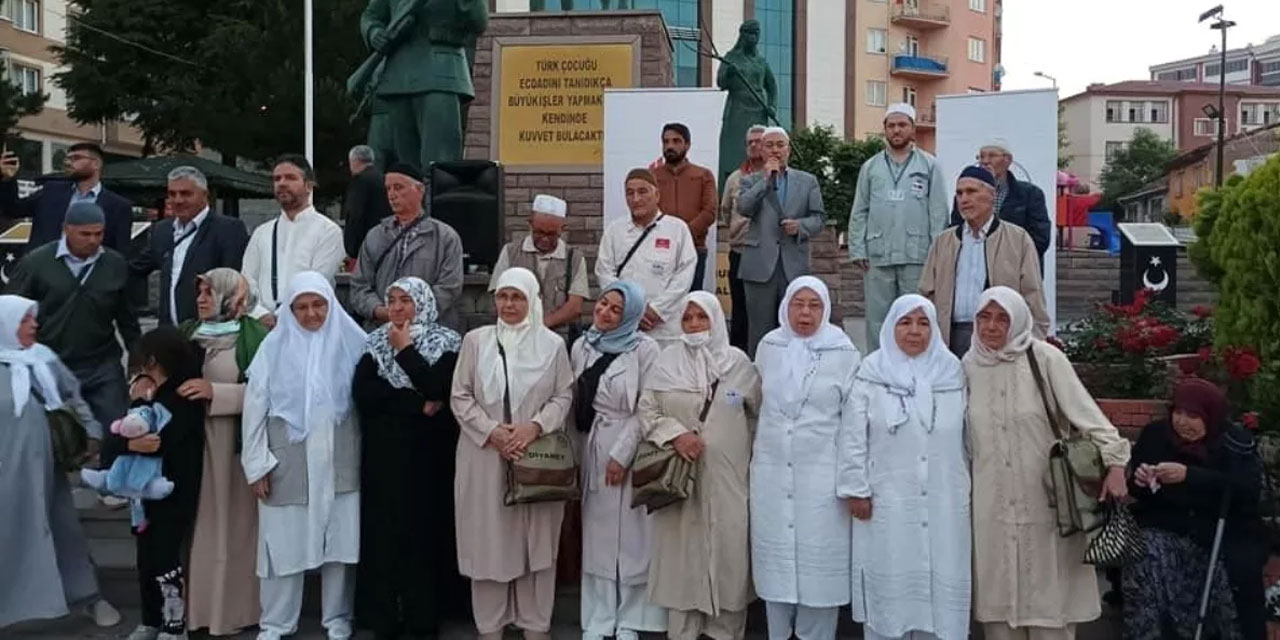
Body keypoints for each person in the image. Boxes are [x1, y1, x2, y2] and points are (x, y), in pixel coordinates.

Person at [965, 286, 1130, 640]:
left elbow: (1091, 419)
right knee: (999, 618)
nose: (992, 327)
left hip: (1047, 505)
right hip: (990, 510)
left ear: (1019, 320)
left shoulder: (1044, 359)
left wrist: (1116, 464)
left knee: (1049, 613)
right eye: (984, 317)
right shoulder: (967, 368)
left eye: (1002, 318)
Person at [241, 272, 366, 640]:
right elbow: (255, 409)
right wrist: (256, 464)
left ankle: (337, 617)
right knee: (283, 543)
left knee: (340, 542)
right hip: (286, 460)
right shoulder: (273, 348)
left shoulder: (353, 343)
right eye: (302, 307)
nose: (312, 314)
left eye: (319, 305)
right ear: (290, 310)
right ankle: (276, 622)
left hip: (340, 458)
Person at [450, 267, 574, 640]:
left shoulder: (552, 345)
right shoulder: (476, 341)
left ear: (532, 300)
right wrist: (493, 432)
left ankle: (535, 623)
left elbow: (564, 394)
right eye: (502, 296)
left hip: (535, 455)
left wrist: (533, 427)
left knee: (535, 542)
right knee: (488, 540)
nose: (508, 304)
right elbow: (460, 395)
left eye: (517, 297)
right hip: (485, 454)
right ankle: (491, 624)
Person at [839, 294, 970, 640]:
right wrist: (856, 489)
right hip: (886, 501)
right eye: (905, 322)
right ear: (890, 327)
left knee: (939, 593)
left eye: (924, 323)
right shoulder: (872, 372)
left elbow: (970, 438)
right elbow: (852, 436)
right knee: (890, 588)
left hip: (945, 502)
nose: (915, 331)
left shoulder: (952, 372)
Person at [640, 292, 761, 640]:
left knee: (729, 549)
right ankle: (684, 630)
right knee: (683, 553)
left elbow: (755, 411)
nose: (694, 324)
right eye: (688, 318)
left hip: (727, 479)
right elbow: (647, 411)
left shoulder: (738, 364)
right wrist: (676, 435)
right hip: (681, 475)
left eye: (702, 317)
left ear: (716, 320)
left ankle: (725, 630)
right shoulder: (666, 362)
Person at [0, 295, 122, 630]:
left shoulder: (43, 360)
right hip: (5, 475)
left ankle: (89, 598)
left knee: (63, 534)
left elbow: (73, 398)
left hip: (44, 474)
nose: (34, 325)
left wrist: (92, 435)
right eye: (25, 320)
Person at [353, 277, 463, 640]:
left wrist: (404, 351)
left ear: (423, 304)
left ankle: (422, 618)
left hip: (429, 458)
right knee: (384, 536)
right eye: (393, 300)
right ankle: (383, 617)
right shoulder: (373, 341)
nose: (398, 308)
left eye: (406, 301)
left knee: (424, 535)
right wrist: (415, 403)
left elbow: (441, 388)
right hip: (384, 457)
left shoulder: (447, 342)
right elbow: (364, 395)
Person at [752, 277, 859, 640]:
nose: (806, 313)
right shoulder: (770, 345)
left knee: (819, 572)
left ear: (826, 309)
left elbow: (853, 420)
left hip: (822, 477)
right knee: (777, 567)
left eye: (815, 305)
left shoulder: (843, 352)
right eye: (799, 304)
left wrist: (851, 479)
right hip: (771, 473)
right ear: (786, 306)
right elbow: (755, 401)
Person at [1125, 378, 1265, 640]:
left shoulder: (1234, 442)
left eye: (1193, 415)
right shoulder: (1156, 435)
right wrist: (1142, 479)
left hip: (1221, 530)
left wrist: (1190, 475)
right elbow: (1135, 489)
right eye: (1178, 412)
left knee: (1235, 572)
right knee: (1146, 553)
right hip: (1168, 525)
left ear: (1210, 416)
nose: (1182, 422)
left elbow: (1248, 491)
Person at [571, 280, 666, 640]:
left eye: (615, 309)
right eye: (603, 304)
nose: (605, 313)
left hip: (629, 444)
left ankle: (631, 618)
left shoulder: (646, 349)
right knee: (596, 535)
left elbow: (647, 405)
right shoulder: (584, 345)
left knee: (633, 536)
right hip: (591, 442)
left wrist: (622, 454)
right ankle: (598, 617)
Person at [176, 269, 268, 636]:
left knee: (231, 528)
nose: (201, 300)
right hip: (192, 445)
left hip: (233, 446)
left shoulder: (257, 337)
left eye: (210, 294)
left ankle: (231, 613)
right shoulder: (186, 334)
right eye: (200, 292)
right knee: (197, 528)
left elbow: (273, 393)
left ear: (233, 298)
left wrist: (218, 393)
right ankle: (195, 612)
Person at [104, 326, 206, 640]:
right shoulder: (145, 395)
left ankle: (173, 625)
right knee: (146, 561)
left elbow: (160, 442)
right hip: (142, 498)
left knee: (165, 561)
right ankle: (150, 620)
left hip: (173, 495)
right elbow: (123, 437)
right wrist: (131, 437)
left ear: (153, 361)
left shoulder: (182, 397)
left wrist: (134, 441)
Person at [8, 201, 141, 434]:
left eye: (98, 233)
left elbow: (127, 319)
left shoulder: (115, 264)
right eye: (85, 234)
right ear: (66, 229)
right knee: (54, 435)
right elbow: (11, 312)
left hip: (102, 365)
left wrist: (140, 362)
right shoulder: (36, 263)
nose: (93, 240)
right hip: (51, 363)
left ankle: (107, 469)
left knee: (114, 431)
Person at [848, 103, 949, 352]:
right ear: (884, 129)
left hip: (918, 256)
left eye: (902, 125)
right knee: (878, 319)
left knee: (916, 314)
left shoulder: (929, 165)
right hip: (877, 254)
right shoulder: (870, 167)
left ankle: (919, 363)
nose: (896, 130)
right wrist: (857, 249)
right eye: (891, 125)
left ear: (913, 129)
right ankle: (876, 368)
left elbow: (938, 213)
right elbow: (860, 210)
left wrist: (937, 255)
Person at [920, 165, 1049, 356]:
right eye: (959, 193)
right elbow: (926, 293)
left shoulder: (1017, 239)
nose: (964, 199)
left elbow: (1033, 295)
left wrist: (1033, 344)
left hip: (999, 337)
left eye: (971, 191)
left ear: (992, 196)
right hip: (948, 338)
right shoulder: (943, 241)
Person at [736, 127, 826, 357]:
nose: (775, 150)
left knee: (794, 326)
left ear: (789, 150)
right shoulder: (749, 181)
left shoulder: (807, 181)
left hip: (793, 264)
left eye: (780, 145)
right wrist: (765, 180)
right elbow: (744, 208)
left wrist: (801, 226)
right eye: (769, 145)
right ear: (761, 150)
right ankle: (759, 380)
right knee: (759, 330)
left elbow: (819, 218)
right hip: (759, 265)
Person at [350, 163, 464, 331]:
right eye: (388, 189)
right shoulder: (375, 236)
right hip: (382, 331)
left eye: (398, 187)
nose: (392, 195)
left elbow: (449, 287)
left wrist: (412, 313)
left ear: (419, 190)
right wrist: (380, 311)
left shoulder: (445, 237)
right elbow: (360, 286)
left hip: (430, 333)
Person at [131, 166, 249, 326]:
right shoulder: (163, 230)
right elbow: (136, 268)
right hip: (170, 336)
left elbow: (232, 283)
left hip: (209, 334)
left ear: (205, 195)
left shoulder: (227, 229)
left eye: (186, 194)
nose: (178, 200)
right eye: (172, 194)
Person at [596, 168, 697, 346]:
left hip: (665, 330)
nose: (636, 199)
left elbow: (684, 275)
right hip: (624, 326)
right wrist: (630, 311)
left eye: (642, 191)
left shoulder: (677, 229)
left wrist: (656, 310)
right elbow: (604, 272)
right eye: (630, 193)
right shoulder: (614, 230)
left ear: (656, 195)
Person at [242, 155, 345, 328]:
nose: (282, 183)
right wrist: (260, 314)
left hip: (307, 325)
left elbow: (318, 283)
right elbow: (246, 280)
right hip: (261, 327)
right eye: (277, 179)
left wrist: (283, 317)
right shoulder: (262, 232)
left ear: (309, 186)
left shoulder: (328, 231)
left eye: (290, 178)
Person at [0, 143, 135, 253]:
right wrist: (7, 179)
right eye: (67, 158)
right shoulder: (51, 191)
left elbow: (120, 252)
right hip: (43, 272)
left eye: (75, 158)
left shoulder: (118, 206)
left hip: (87, 279)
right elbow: (12, 210)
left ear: (96, 164)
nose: (68, 163)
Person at [489, 194, 590, 338]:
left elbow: (575, 307)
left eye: (551, 234)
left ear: (562, 229)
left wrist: (539, 327)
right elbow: (497, 296)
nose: (544, 238)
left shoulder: (574, 258)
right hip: (515, 336)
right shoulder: (511, 252)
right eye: (539, 232)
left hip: (558, 338)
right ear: (530, 224)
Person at [950, 140, 1051, 269]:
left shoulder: (1030, 194)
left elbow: (1040, 238)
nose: (985, 161)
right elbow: (956, 231)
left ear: (1008, 160)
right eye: (981, 156)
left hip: (1016, 269)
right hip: (973, 267)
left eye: (991, 156)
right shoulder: (964, 195)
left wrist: (1007, 261)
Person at [653, 123, 718, 291]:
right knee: (661, 305)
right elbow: (649, 211)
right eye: (666, 142)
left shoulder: (703, 175)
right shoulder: (653, 176)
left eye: (676, 141)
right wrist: (667, 237)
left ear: (687, 145)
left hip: (694, 249)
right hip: (660, 251)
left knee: (690, 305)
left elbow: (710, 211)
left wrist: (682, 235)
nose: (670, 146)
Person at [720, 124, 767, 350]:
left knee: (766, 308)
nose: (755, 145)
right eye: (750, 142)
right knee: (740, 308)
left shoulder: (778, 176)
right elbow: (726, 211)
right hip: (740, 251)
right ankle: (737, 358)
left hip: (768, 252)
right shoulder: (735, 179)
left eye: (759, 141)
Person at [716, 19, 777, 186]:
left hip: (757, 109)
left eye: (756, 34)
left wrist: (772, 106)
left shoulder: (761, 62)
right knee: (735, 149)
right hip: (737, 109)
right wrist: (729, 72)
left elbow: (772, 86)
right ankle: (731, 182)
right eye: (750, 33)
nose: (753, 37)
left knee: (759, 146)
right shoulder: (731, 57)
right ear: (742, 35)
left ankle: (759, 177)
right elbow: (721, 82)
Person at [343, 145, 393, 262]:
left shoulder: (360, 182)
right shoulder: (384, 179)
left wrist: (351, 248)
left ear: (354, 161)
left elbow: (355, 214)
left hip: (365, 246)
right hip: (386, 242)